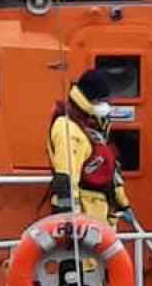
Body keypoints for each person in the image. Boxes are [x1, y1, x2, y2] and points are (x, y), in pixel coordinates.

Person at [48, 69, 131, 226]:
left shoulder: (95, 127)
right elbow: (66, 179)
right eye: (103, 100)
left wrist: (123, 204)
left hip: (100, 217)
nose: (107, 105)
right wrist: (71, 221)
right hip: (85, 221)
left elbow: (112, 173)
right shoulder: (68, 128)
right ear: (91, 99)